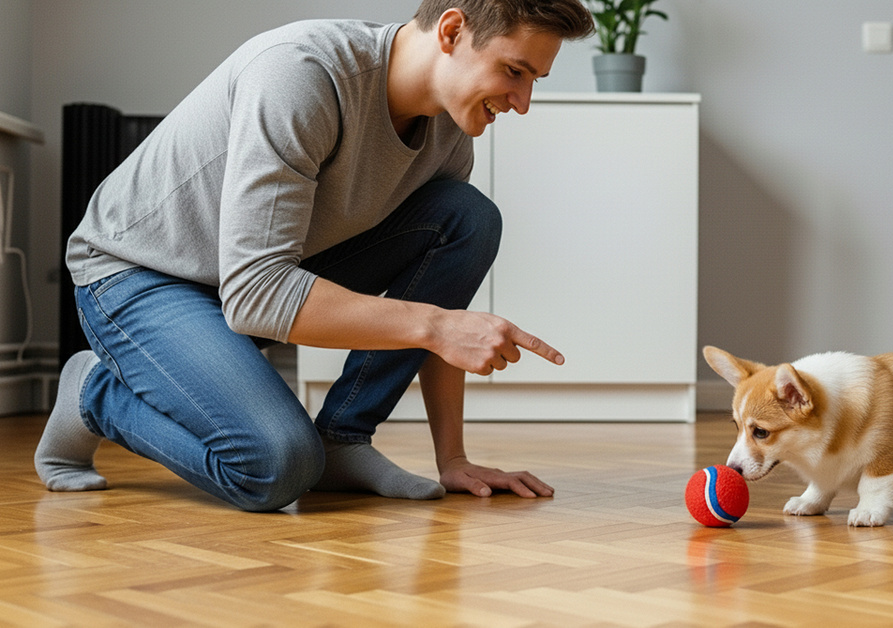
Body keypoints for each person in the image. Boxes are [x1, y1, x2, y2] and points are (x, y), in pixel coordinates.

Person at [34, 0, 595, 512]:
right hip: (138, 276)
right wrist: (437, 326)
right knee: (276, 467)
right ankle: (94, 393)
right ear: (451, 31)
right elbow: (258, 295)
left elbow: (443, 312)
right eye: (514, 72)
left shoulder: (449, 135)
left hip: (250, 282)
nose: (522, 103)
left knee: (467, 216)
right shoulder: (302, 73)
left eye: (534, 81)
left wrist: (453, 458)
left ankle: (343, 438)